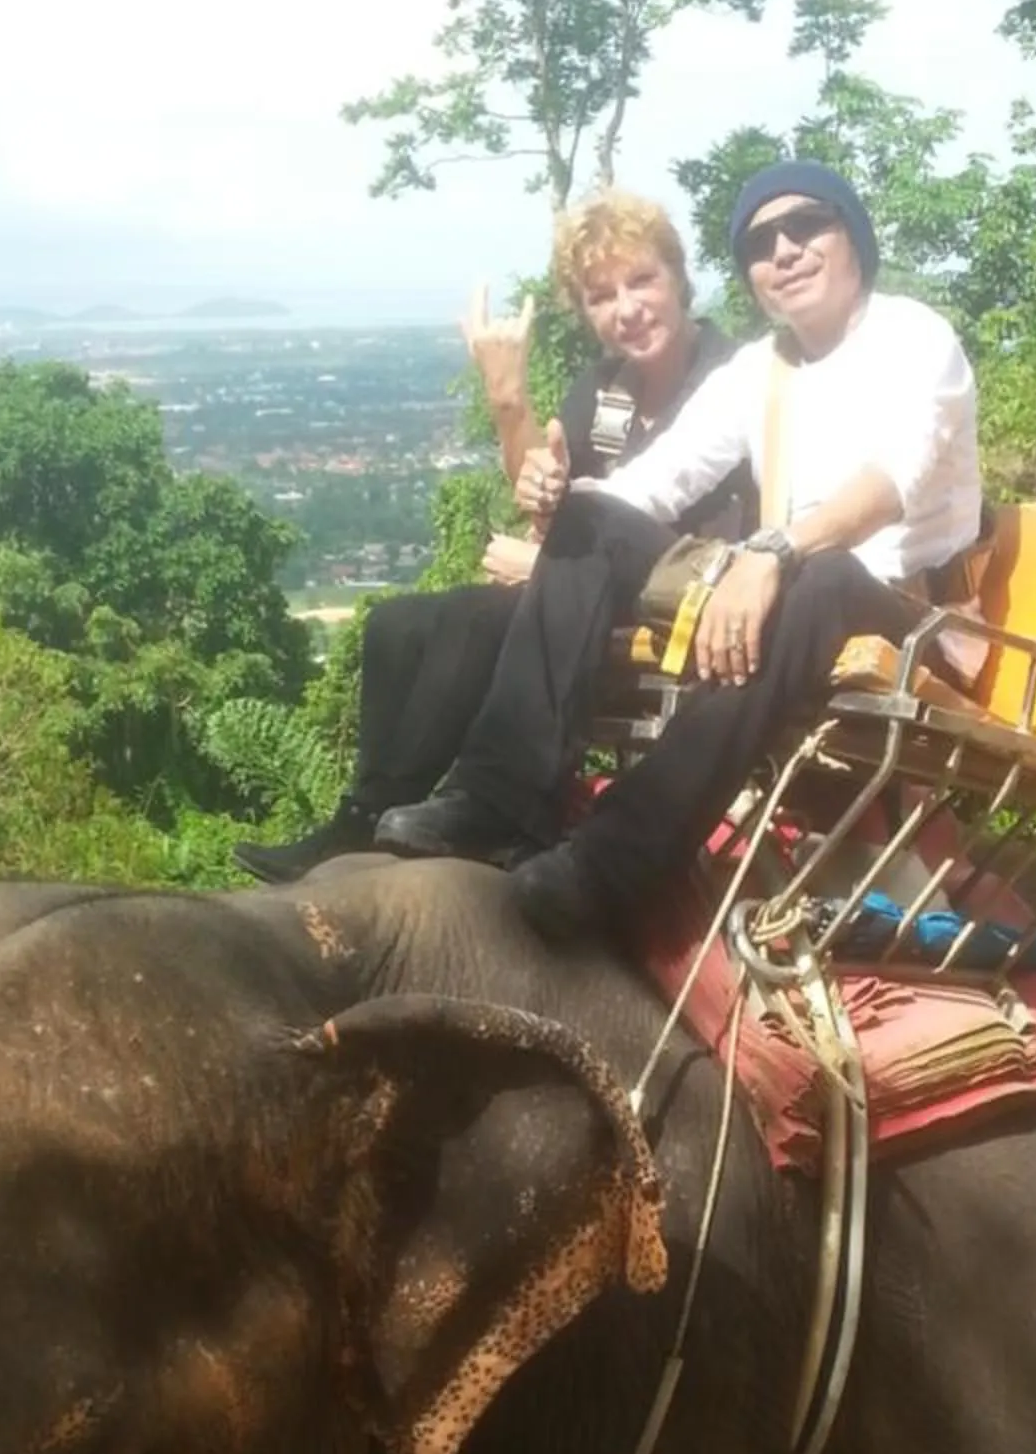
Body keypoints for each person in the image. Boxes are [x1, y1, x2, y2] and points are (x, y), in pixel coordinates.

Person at [373, 159, 981, 941]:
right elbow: (650, 487)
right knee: (595, 517)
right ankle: (501, 797)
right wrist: (559, 498)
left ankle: (616, 862)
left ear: (853, 238)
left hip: (901, 611)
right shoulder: (762, 370)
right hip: (791, 586)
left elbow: (892, 483)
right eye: (760, 242)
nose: (784, 250)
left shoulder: (914, 337)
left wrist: (772, 553)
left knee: (824, 576)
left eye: (806, 226)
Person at [234, 193, 746, 882]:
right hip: (582, 584)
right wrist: (510, 404)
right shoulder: (606, 391)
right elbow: (550, 493)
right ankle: (364, 816)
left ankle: (468, 811)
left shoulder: (730, 377)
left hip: (685, 592)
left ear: (679, 278)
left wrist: (548, 562)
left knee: (477, 619)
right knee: (396, 624)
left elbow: (672, 529)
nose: (627, 309)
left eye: (642, 281)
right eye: (601, 296)